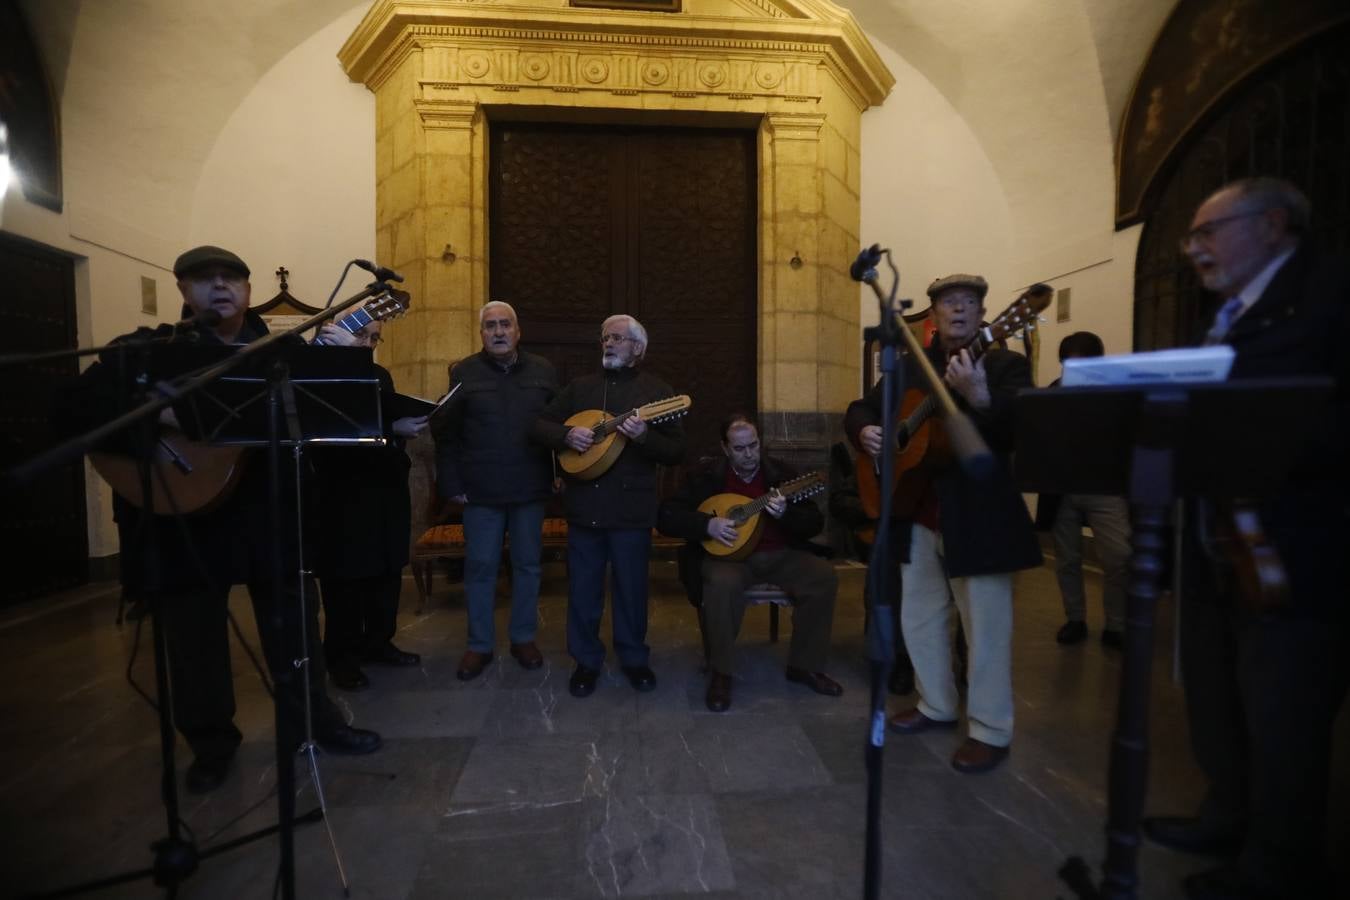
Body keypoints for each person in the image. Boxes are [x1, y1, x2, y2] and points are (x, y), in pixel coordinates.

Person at [70, 246, 382, 795]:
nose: (220, 287)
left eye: (231, 278)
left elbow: (339, 411)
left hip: (268, 508)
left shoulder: (281, 350)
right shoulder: (148, 351)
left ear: (247, 287)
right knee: (193, 641)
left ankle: (314, 724)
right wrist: (165, 418)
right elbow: (72, 411)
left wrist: (345, 357)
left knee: (294, 628)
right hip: (183, 514)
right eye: (203, 279)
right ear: (183, 292)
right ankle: (212, 745)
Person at [1142, 177, 1349, 900]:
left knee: (1283, 715)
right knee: (1218, 696)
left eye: (1208, 231)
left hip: (1294, 548)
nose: (1194, 249)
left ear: (1273, 226)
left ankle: (1279, 868)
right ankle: (1226, 814)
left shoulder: (1328, 297)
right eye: (1190, 236)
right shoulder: (1226, 311)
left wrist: (1265, 439)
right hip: (1214, 542)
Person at [845, 273, 1041, 774]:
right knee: (921, 617)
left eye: (969, 303)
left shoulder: (1005, 364)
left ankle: (990, 730)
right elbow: (863, 406)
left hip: (980, 517)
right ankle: (936, 703)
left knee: (986, 629)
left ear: (984, 315)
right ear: (932, 316)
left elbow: (1021, 428)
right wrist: (867, 428)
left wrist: (979, 396)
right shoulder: (915, 367)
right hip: (918, 511)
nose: (958, 310)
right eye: (949, 303)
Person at [531, 314, 685, 698]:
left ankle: (634, 659)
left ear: (638, 348)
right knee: (583, 589)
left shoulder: (658, 392)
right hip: (584, 507)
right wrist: (568, 434)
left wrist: (646, 436)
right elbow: (539, 425)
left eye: (617, 338)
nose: (609, 343)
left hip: (631, 510)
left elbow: (677, 450)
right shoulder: (580, 388)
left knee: (631, 590)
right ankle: (586, 661)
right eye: (605, 338)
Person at [658, 415, 841, 711]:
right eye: (740, 448)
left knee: (823, 577)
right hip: (729, 558)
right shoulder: (707, 476)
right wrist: (708, 525)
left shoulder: (781, 475)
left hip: (779, 555)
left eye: (753, 445)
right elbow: (667, 515)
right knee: (721, 583)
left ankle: (804, 666)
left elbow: (813, 522)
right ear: (726, 448)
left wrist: (786, 515)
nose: (748, 454)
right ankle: (722, 672)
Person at [433, 301, 558, 681]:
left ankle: (523, 638)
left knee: (528, 566)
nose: (499, 332)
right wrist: (452, 485)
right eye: (491, 326)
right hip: (481, 491)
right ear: (482, 333)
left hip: (530, 487)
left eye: (505, 325)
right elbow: (445, 433)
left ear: (518, 331)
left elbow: (558, 427)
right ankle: (479, 645)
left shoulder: (544, 371)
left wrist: (560, 471)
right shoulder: (464, 373)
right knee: (481, 569)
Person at [311, 316, 428, 691]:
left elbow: (382, 415)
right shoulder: (318, 374)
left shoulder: (379, 374)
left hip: (383, 485)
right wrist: (392, 428)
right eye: (361, 335)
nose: (368, 344)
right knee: (345, 578)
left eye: (375, 338)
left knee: (386, 570)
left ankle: (379, 643)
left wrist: (400, 426)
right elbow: (334, 424)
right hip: (341, 491)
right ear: (334, 332)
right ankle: (342, 658)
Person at [1033, 331, 1131, 650]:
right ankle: (1075, 618)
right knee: (1067, 559)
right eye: (1069, 365)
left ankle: (1116, 624)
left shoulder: (1115, 394)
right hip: (1063, 490)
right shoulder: (1053, 394)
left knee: (1119, 556)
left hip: (1104, 487)